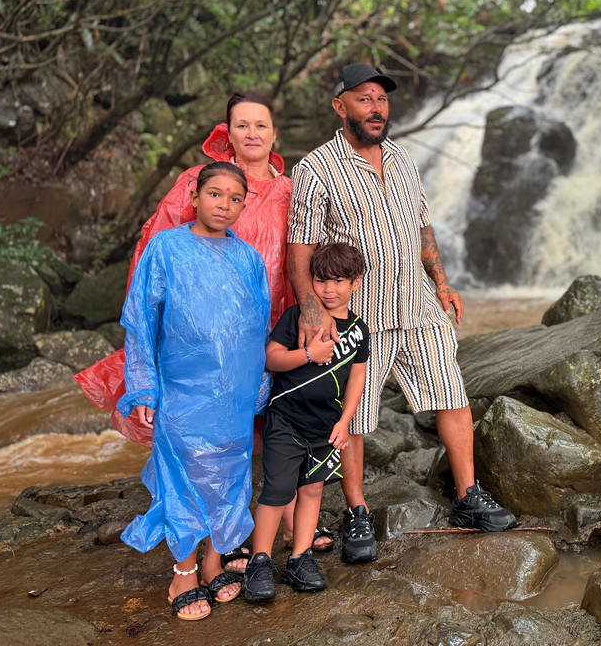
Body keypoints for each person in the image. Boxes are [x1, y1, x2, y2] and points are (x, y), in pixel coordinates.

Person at [75, 92, 329, 551]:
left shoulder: (292, 189)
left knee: (271, 421)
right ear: (226, 133)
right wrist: (151, 334)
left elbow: (305, 251)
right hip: (199, 331)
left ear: (274, 135)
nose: (252, 133)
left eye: (261, 125)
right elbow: (156, 248)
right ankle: (208, 540)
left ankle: (281, 522)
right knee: (204, 426)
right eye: (242, 125)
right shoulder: (199, 181)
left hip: (271, 320)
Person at [286, 63, 516, 565]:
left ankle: (467, 495)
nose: (376, 108)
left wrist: (442, 281)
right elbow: (299, 249)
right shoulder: (315, 169)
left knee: (452, 395)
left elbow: (422, 228)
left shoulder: (403, 159)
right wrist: (311, 309)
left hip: (417, 305)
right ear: (339, 106)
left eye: (382, 100)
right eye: (364, 99)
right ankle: (356, 510)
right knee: (353, 418)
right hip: (356, 316)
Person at [118, 161, 271, 622]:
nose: (225, 204)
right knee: (182, 476)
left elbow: (258, 326)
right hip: (183, 391)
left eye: (236, 198)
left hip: (236, 395)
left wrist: (259, 386)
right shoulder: (167, 247)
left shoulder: (249, 258)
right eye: (215, 194)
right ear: (195, 197)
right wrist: (144, 388)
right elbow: (141, 321)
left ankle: (213, 558)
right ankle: (182, 570)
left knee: (227, 474)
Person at [242, 243, 369, 600]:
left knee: (312, 490)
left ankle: (300, 557)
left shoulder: (359, 331)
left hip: (326, 426)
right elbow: (271, 358)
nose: (328, 289)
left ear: (355, 283)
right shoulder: (297, 316)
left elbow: (357, 378)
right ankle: (260, 561)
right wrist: (308, 354)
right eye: (320, 280)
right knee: (278, 491)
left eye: (338, 281)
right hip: (285, 420)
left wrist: (345, 422)